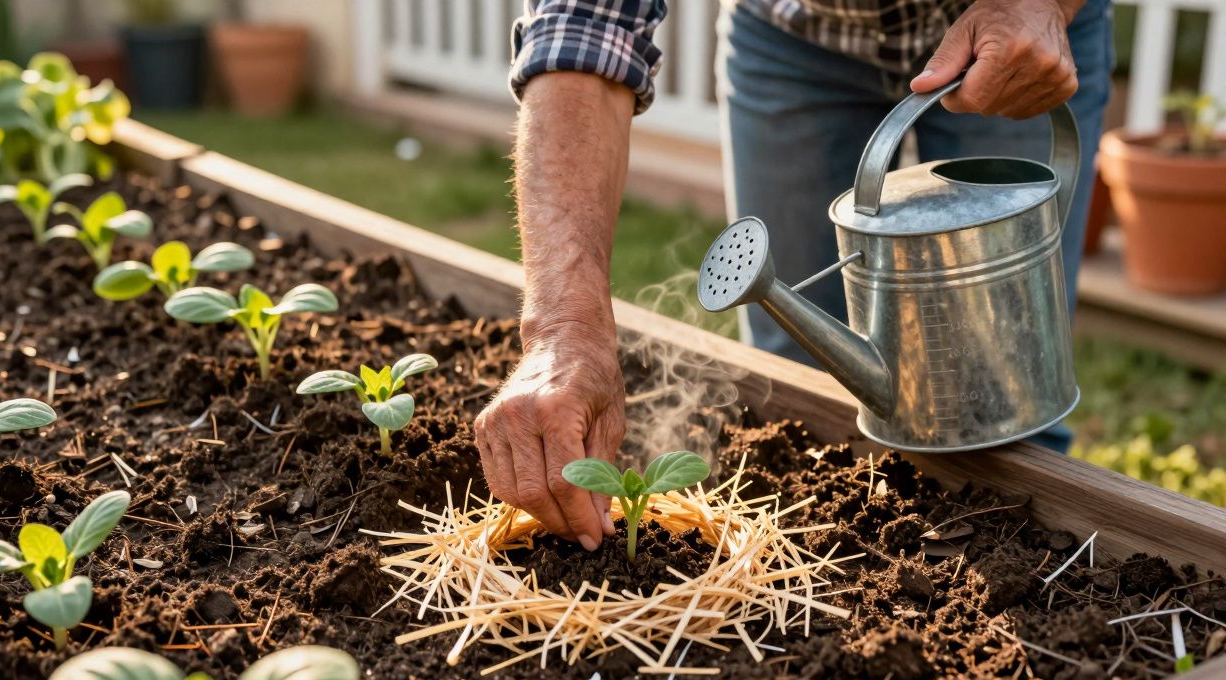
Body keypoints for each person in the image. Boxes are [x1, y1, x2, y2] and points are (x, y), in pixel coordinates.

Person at [474, 0, 1113, 551]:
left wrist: (1045, 8)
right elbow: (584, 23)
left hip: (1016, 31)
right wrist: (563, 328)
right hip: (799, 32)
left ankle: (1031, 565)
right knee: (799, 391)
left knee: (1013, 384)